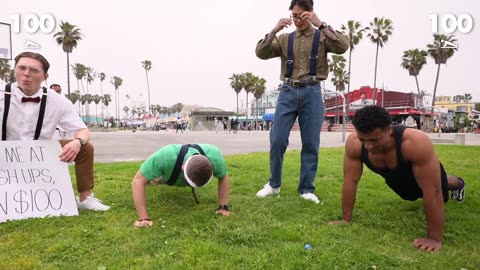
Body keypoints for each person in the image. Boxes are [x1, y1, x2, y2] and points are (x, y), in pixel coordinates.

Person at [329, 105, 466, 252]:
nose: (368, 146)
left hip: (424, 174)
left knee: (440, 185)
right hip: (398, 179)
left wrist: (434, 238)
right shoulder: (354, 143)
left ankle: (458, 183)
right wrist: (345, 219)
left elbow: (433, 191)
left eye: (375, 140)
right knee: (409, 194)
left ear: (388, 130)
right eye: (363, 139)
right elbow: (351, 181)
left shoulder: (414, 142)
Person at [255, 0, 349, 203]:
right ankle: (274, 184)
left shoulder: (322, 36)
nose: (297, 19)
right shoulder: (284, 39)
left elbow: (343, 46)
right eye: (294, 15)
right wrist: (274, 29)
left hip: (312, 92)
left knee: (311, 143)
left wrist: (320, 23)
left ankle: (306, 188)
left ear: (310, 13)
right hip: (288, 91)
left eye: (301, 15)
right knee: (278, 139)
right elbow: (261, 53)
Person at [0, 51, 110, 211]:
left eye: (34, 70)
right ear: (15, 70)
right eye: (21, 68)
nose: (26, 74)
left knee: (86, 147)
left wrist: (78, 142)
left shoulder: (57, 100)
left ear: (45, 76)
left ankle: (85, 198)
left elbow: (82, 130)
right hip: (5, 153)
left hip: (42, 153)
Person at [131, 144, 231, 227]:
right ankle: (159, 179)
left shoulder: (215, 157)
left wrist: (223, 207)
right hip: (166, 173)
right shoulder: (164, 157)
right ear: (182, 168)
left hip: (176, 166)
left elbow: (223, 177)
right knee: (152, 180)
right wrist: (144, 218)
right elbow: (138, 181)